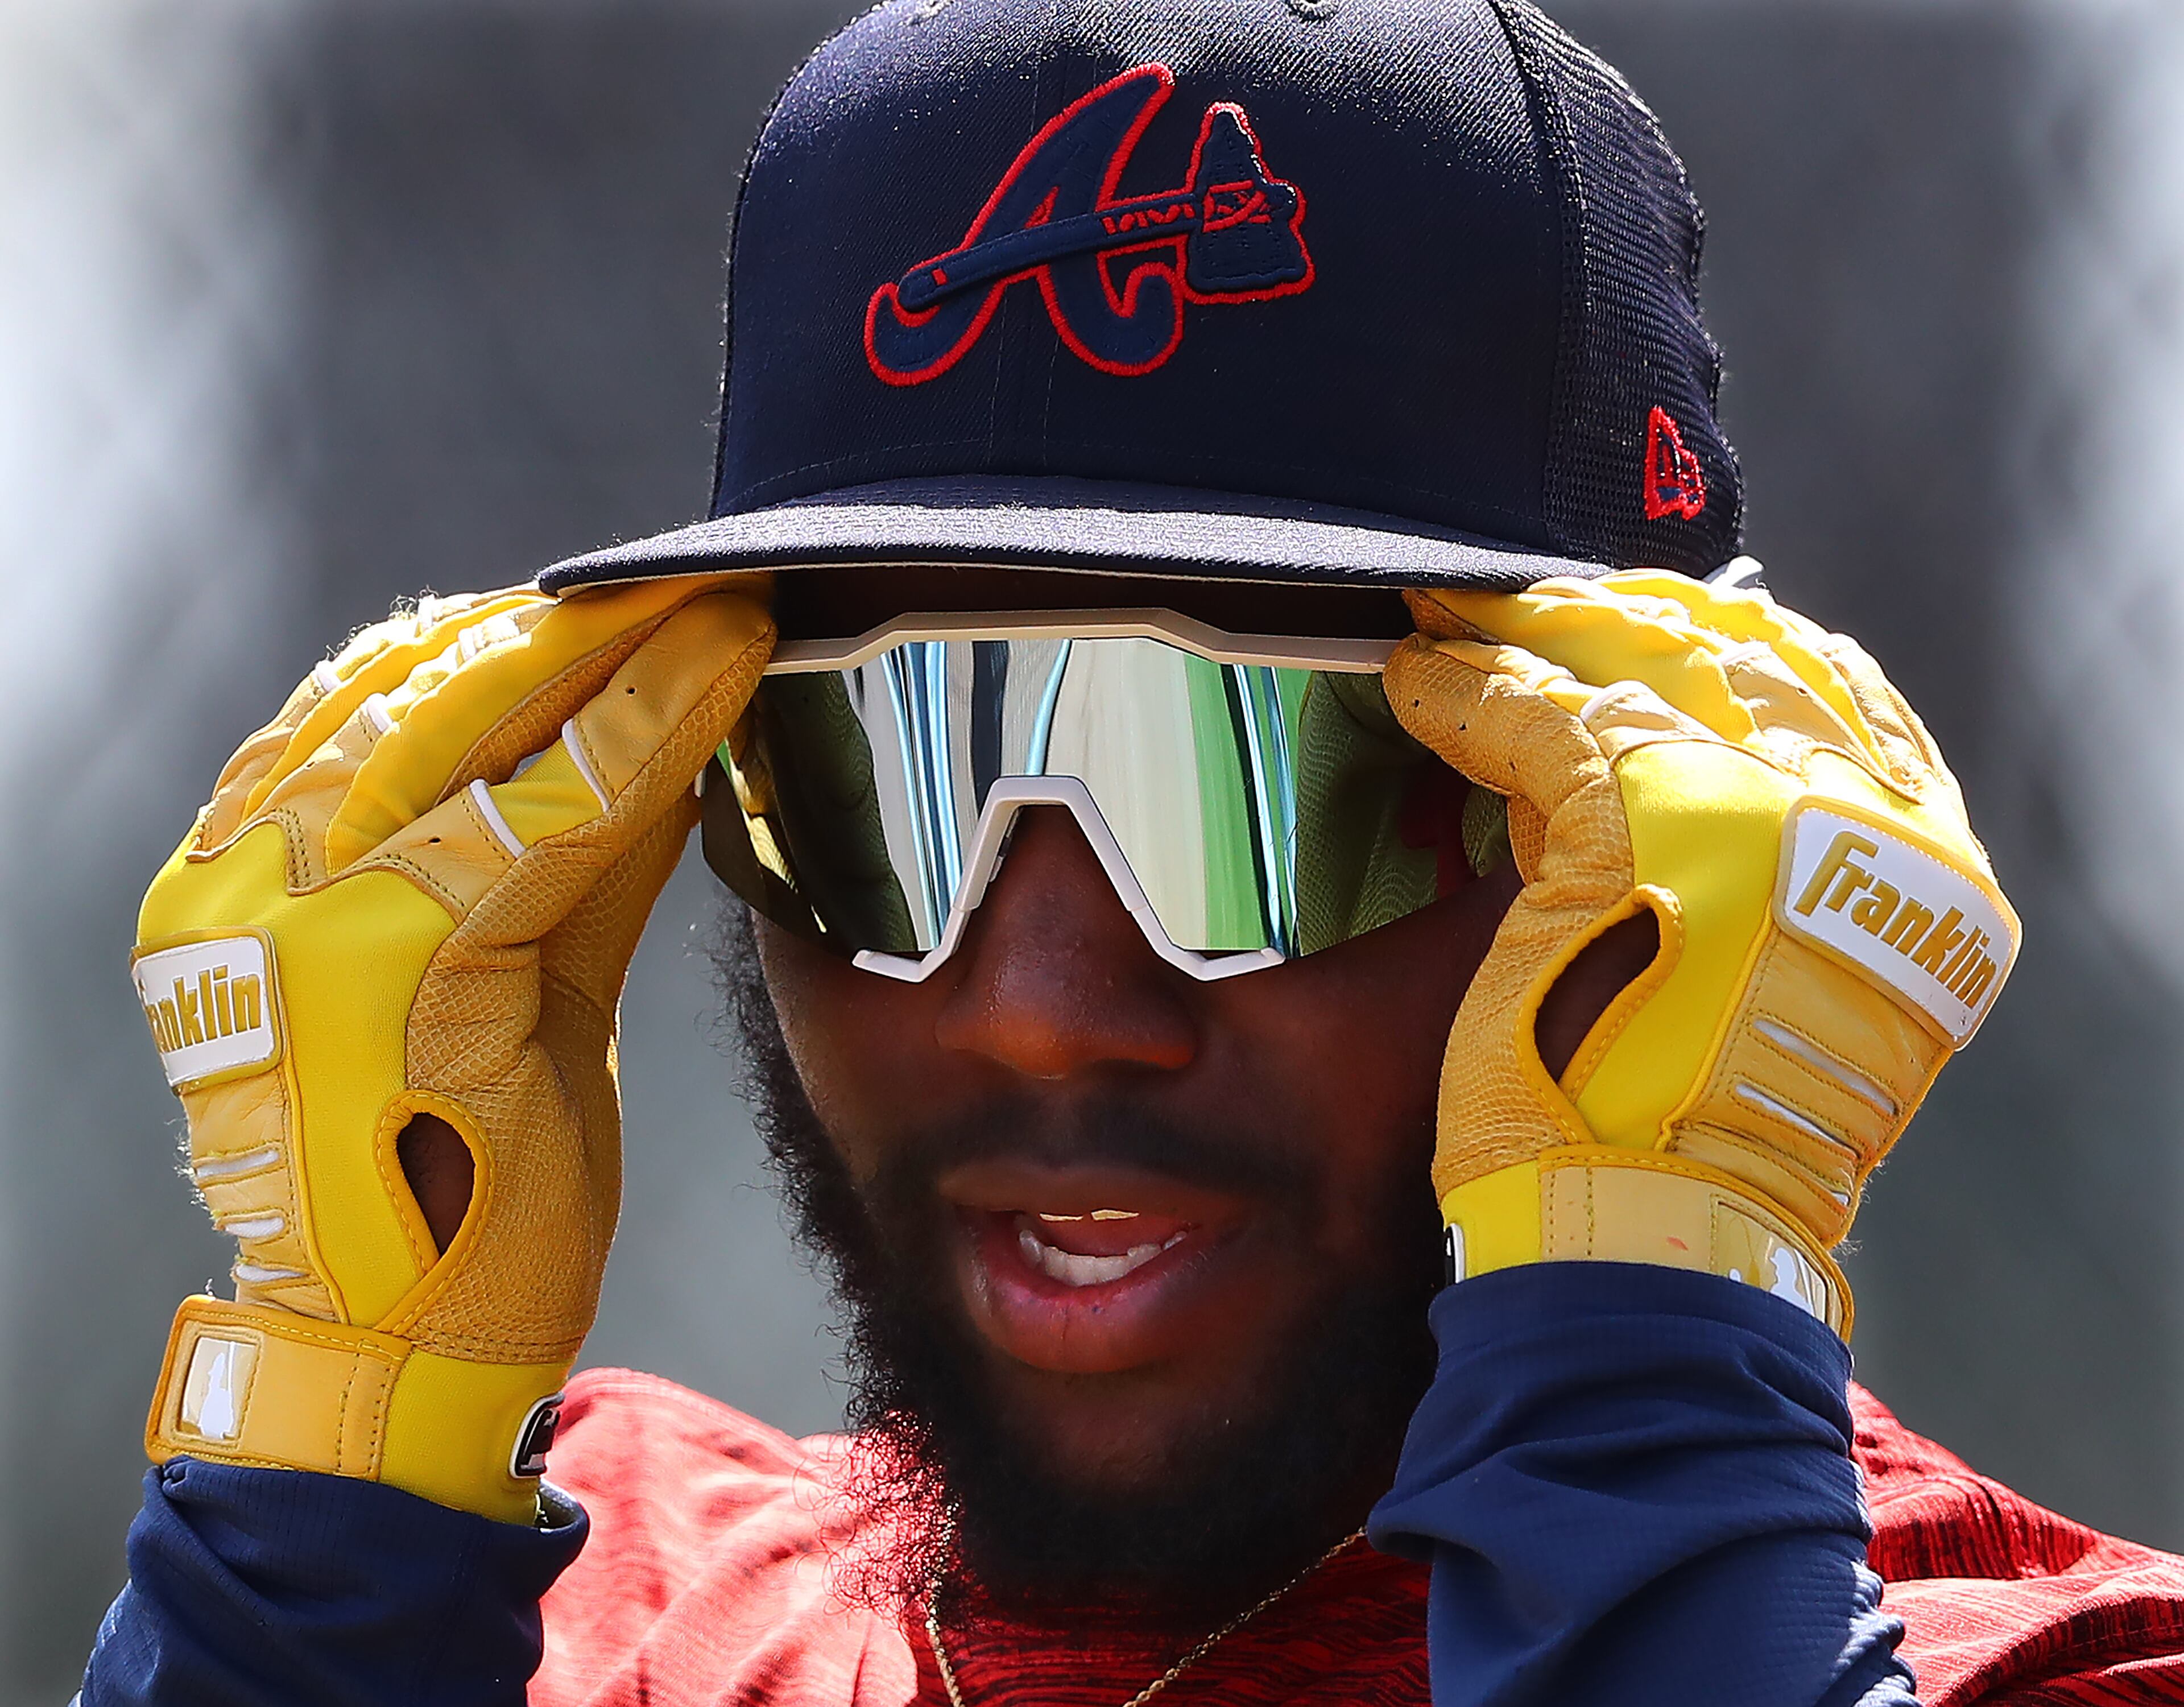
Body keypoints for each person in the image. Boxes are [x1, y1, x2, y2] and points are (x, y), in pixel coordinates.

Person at [76, 1, 2184, 1704]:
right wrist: (326, 1492)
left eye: (1257, 780)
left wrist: (1650, 1391)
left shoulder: (2051, 1666)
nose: (1034, 1000)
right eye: (882, 785)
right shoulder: (540, 1610)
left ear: (1675, 834)